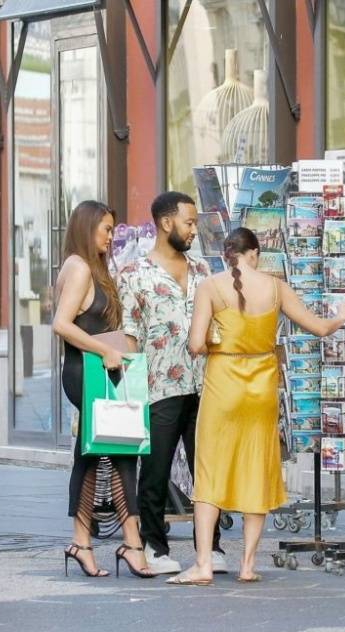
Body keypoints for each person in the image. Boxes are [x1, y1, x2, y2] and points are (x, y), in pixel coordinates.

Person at [177, 227, 345, 585]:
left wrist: (217, 339)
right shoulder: (275, 288)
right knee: (256, 466)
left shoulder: (210, 287)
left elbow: (195, 344)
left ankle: (203, 564)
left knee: (210, 468)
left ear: (228, 255)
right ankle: (247, 565)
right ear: (255, 253)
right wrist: (342, 314)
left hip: (223, 384)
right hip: (261, 387)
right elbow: (319, 328)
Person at [117, 191, 224, 576]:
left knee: (206, 468)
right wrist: (126, 390)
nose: (194, 229)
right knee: (156, 470)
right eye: (189, 222)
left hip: (205, 384)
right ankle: (154, 545)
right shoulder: (134, 275)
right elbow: (129, 334)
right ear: (166, 223)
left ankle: (210, 547)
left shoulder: (202, 272)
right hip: (158, 385)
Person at [53, 201, 152, 579]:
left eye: (112, 230)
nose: (111, 237)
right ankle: (130, 542)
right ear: (87, 227)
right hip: (88, 371)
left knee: (94, 454)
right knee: (120, 451)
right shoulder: (78, 268)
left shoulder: (88, 266)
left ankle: (86, 542)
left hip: (98, 369)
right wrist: (106, 349)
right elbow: (62, 325)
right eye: (106, 229)